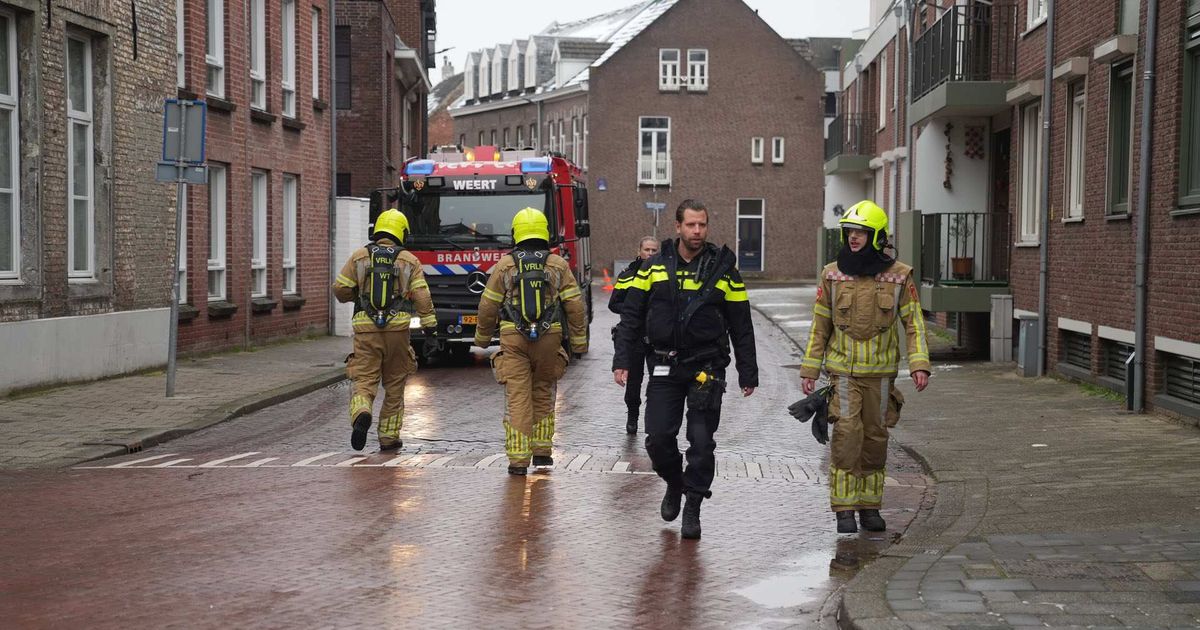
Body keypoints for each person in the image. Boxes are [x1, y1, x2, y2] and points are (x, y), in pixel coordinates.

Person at [612, 199, 758, 540]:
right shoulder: (654, 267)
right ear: (677, 227)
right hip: (664, 363)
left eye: (702, 225)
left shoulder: (723, 271)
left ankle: (693, 505)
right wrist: (622, 361)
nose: (697, 231)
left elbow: (742, 325)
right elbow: (631, 316)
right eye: (691, 225)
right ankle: (675, 483)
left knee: (702, 442)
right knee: (658, 439)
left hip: (708, 367)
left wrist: (747, 372)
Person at [799, 200, 932, 534]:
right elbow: (820, 325)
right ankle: (844, 509)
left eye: (860, 232)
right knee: (847, 435)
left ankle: (869, 507)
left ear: (876, 236)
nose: (853, 238)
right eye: (849, 232)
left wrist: (920, 364)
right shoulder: (832, 274)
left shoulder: (900, 276)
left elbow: (914, 323)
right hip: (843, 373)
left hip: (882, 375)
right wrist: (810, 369)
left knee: (875, 438)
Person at [475, 208, 589, 475]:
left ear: (517, 232)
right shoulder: (558, 264)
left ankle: (517, 459)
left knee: (517, 395)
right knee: (544, 390)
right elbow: (574, 305)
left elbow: (488, 305)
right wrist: (579, 342)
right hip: (550, 337)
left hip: (513, 338)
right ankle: (542, 452)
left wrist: (482, 337)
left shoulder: (505, 265)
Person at [333, 209, 438, 452]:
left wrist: (358, 296)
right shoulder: (409, 260)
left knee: (364, 378)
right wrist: (431, 329)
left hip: (366, 330)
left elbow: (340, 289)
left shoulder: (359, 257)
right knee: (395, 383)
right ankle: (389, 437)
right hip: (398, 331)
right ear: (401, 233)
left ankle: (362, 411)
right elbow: (422, 296)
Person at [609, 236, 660, 435]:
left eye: (654, 250)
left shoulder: (665, 275)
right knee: (634, 381)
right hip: (635, 335)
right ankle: (632, 416)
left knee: (659, 382)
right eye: (647, 249)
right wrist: (634, 310)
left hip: (657, 338)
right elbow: (614, 303)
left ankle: (655, 419)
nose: (650, 253)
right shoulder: (627, 275)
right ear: (639, 250)